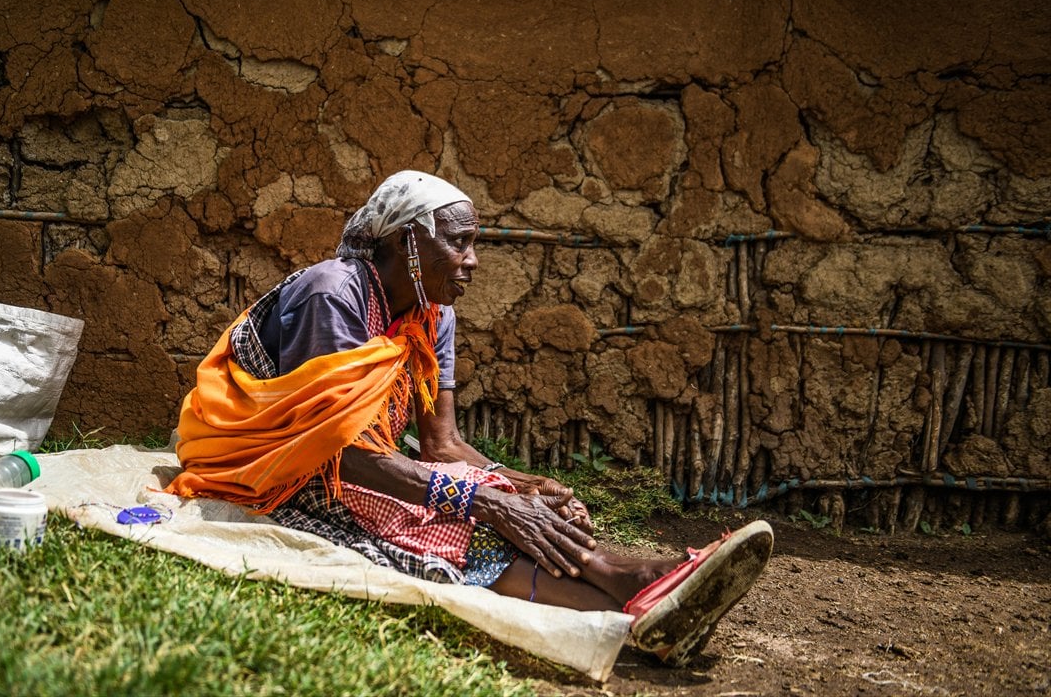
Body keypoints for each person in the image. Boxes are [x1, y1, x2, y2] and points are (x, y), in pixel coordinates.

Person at [167, 170, 772, 665]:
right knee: (460, 517)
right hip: (269, 466)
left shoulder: (433, 315)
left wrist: (520, 486)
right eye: (459, 242)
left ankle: (635, 605)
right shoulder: (335, 295)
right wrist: (481, 500)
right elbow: (336, 452)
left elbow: (443, 444)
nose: (473, 260)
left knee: (508, 508)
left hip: (350, 462)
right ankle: (631, 582)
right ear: (407, 241)